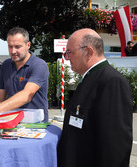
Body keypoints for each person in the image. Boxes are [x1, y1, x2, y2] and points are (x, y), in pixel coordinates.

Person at [57, 28, 133, 167]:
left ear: (88, 52)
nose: (67, 58)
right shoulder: (89, 79)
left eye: (70, 53)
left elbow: (115, 147)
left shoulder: (111, 82)